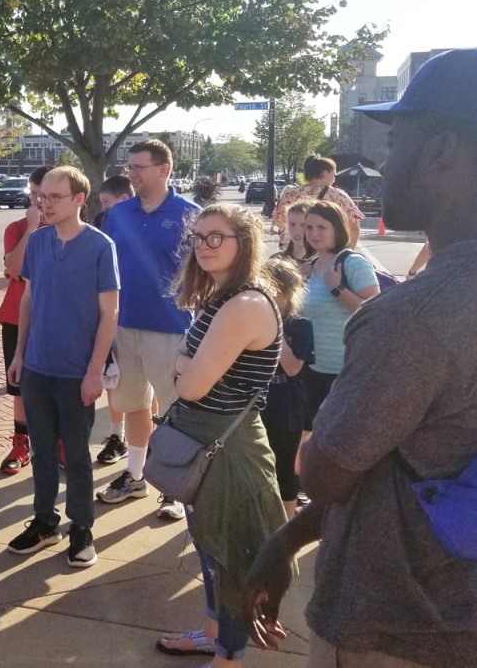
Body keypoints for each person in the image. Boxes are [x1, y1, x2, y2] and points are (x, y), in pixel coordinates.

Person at [243, 48, 477, 668]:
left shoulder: (414, 314)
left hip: (400, 635)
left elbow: (327, 474)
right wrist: (289, 537)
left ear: (442, 151)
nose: (385, 163)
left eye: (396, 142)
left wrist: (288, 524)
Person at [155, 203, 287, 667]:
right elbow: (184, 365)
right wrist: (182, 366)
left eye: (218, 237)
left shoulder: (246, 304)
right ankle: (213, 634)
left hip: (229, 453)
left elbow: (189, 382)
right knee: (211, 550)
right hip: (206, 446)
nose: (205, 246)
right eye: (199, 237)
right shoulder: (220, 297)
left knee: (233, 560)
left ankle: (229, 657)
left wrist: (180, 367)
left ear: (243, 244)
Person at [5, 166, 119, 568]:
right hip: (37, 368)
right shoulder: (36, 242)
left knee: (77, 454)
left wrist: (94, 371)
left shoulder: (101, 247)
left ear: (78, 200)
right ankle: (44, 521)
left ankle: (82, 527)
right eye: (41, 196)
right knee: (41, 451)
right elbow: (28, 300)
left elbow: (110, 314)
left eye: (54, 197)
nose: (44, 203)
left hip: (76, 373)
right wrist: (19, 354)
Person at [98, 139, 200, 521]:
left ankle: (175, 487)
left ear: (163, 169)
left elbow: (204, 272)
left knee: (175, 411)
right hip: (124, 325)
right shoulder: (118, 214)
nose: (133, 174)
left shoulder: (191, 214)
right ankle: (136, 475)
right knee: (134, 404)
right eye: (131, 168)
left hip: (171, 327)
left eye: (139, 167)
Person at [299, 201, 379, 433]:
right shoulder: (311, 266)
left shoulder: (352, 263)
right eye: (309, 227)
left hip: (345, 372)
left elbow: (375, 312)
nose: (314, 233)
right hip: (312, 369)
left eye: (321, 227)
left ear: (337, 228)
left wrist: (338, 289)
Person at [0, 166, 52, 474]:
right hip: (17, 316)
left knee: (59, 382)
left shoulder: (68, 229)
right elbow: (15, 269)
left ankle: (59, 442)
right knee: (19, 384)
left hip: (57, 318)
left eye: (46, 195)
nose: (40, 201)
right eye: (34, 194)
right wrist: (32, 229)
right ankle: (22, 442)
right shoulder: (16, 229)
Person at [258, 257, 313, 519]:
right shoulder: (251, 321)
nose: (271, 297)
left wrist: (274, 327)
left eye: (277, 292)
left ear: (291, 293)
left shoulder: (300, 325)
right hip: (256, 407)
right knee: (257, 469)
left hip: (286, 410)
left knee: (285, 470)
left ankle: (285, 529)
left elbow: (292, 368)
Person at [91, 174, 134, 465]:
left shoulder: (143, 222)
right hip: (111, 313)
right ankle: (118, 436)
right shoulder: (100, 222)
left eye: (107, 202)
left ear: (124, 199)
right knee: (114, 378)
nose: (103, 208)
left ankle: (150, 435)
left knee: (145, 383)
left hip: (144, 315)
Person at [271, 156, 365, 248]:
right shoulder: (337, 195)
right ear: (324, 174)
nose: (334, 179)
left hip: (290, 248)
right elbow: (354, 224)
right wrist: (348, 250)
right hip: (321, 250)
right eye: (333, 175)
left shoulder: (289, 194)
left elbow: (279, 220)